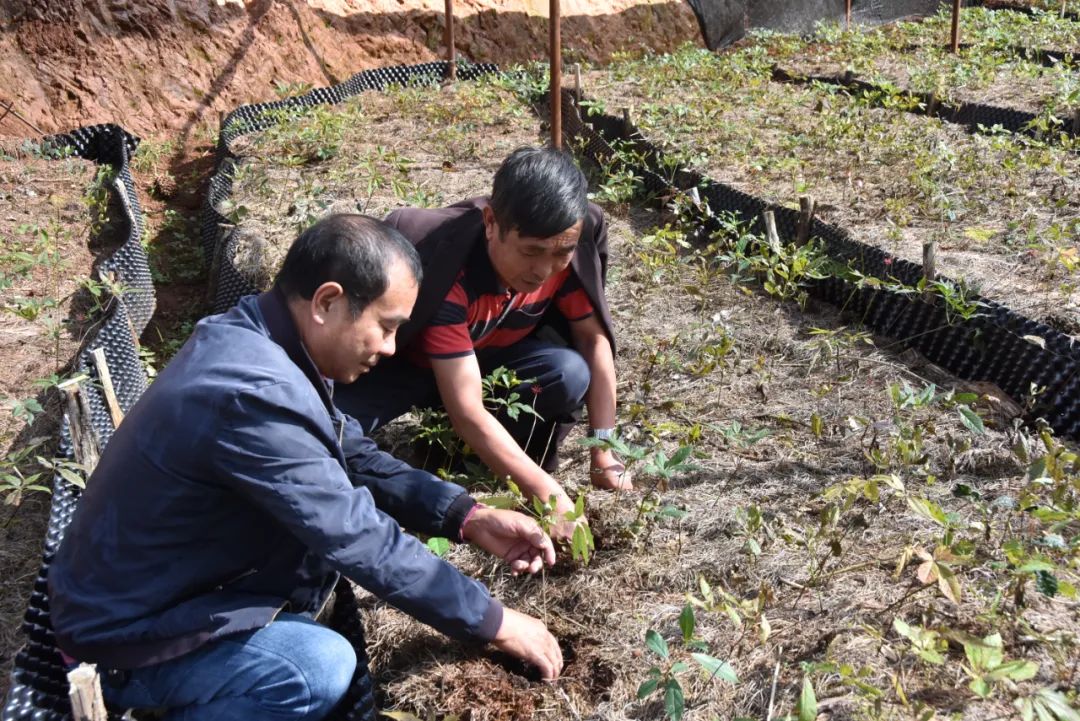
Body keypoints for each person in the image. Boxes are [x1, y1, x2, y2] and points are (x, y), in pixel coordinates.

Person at [48, 214, 563, 721]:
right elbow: (358, 536)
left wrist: (464, 515)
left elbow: (348, 452)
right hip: (123, 635)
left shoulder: (260, 340)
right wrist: (495, 622)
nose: (389, 347)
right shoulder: (253, 395)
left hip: (149, 592)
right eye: (385, 327)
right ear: (328, 302)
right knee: (314, 666)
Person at [334, 147, 630, 536]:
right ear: (491, 222)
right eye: (531, 252)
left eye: (560, 253)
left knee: (568, 372)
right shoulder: (444, 266)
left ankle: (464, 456)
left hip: (489, 359)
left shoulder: (571, 241)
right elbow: (466, 408)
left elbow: (592, 340)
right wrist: (548, 493)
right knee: (326, 429)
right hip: (406, 365)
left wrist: (604, 451)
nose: (543, 270)